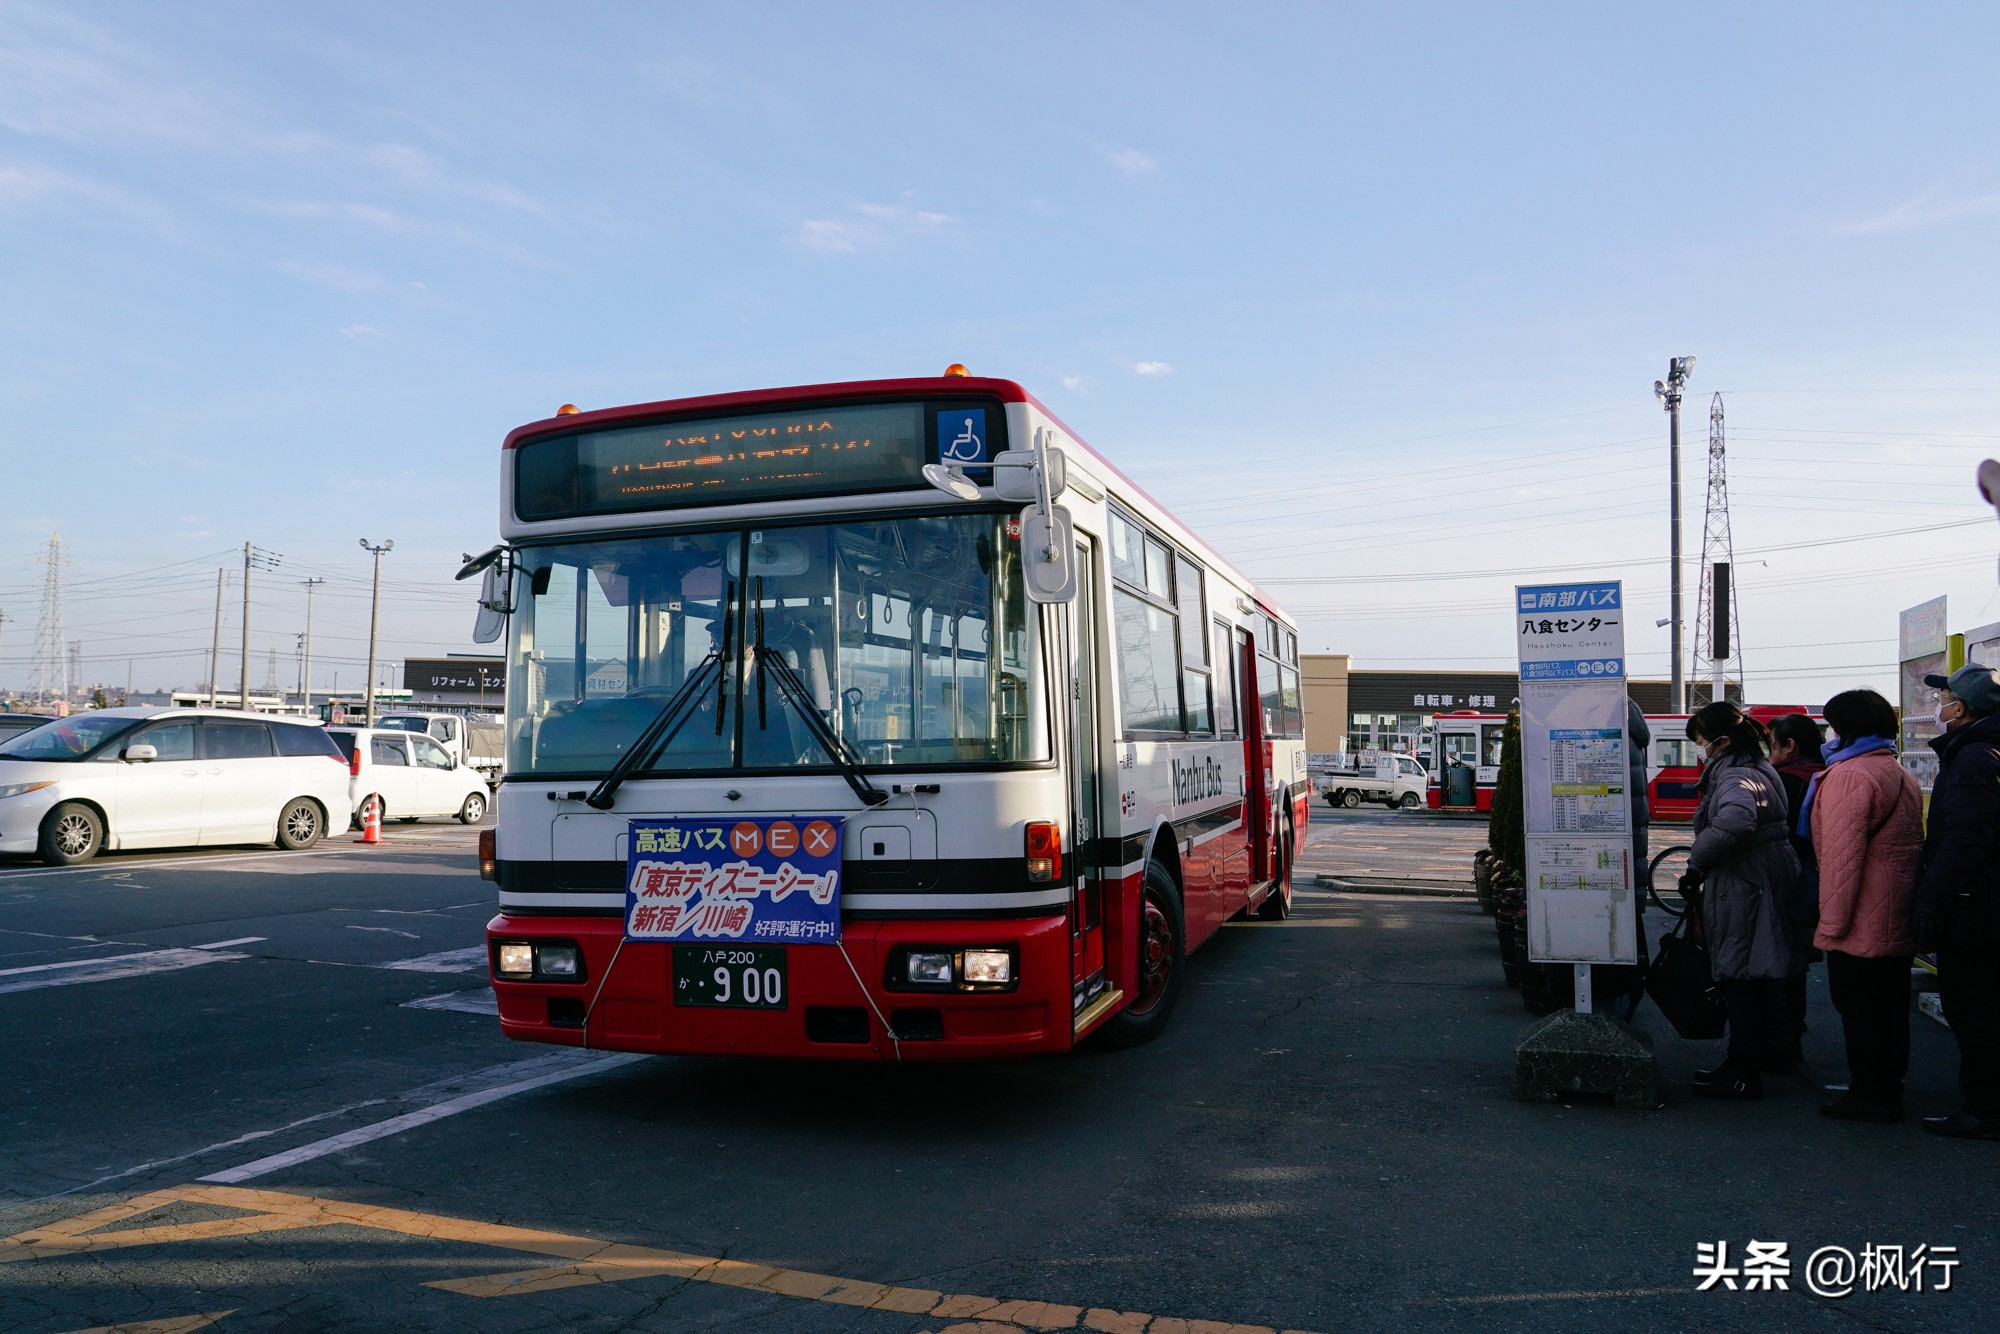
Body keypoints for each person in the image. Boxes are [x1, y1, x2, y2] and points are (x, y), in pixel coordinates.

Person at [1801, 689, 1923, 1122]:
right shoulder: (1896, 770)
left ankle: (1870, 1095)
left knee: (1861, 1009)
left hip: (1859, 918)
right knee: (1890, 1009)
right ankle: (1887, 1087)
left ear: (1846, 726)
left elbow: (1839, 860)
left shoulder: (1851, 775)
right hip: (1893, 912)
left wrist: (1830, 926)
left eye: (1833, 724)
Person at [1680, 701, 1806, 1099]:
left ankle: (1741, 1071)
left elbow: (1735, 820)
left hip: (1745, 884)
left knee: (1740, 979)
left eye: (1702, 742)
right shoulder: (1759, 767)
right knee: (1757, 976)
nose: (1702, 750)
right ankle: (1750, 1062)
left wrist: (1697, 863)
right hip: (1763, 878)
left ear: (1722, 741)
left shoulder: (1735, 776)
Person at [1913, 664, 2000, 1140]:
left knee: (1974, 1011)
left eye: (1943, 698)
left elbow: (1965, 840)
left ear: (1961, 708)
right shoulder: (1986, 751)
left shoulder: (1973, 758)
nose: (1938, 706)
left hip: (1976, 909)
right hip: (1985, 903)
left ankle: (1984, 1109)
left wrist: (1931, 898)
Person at [1768, 711, 1829, 1071]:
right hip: (1814, 880)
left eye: (1772, 744)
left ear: (1790, 745)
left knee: (1777, 961)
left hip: (1784, 881)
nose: (1769, 753)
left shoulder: (1784, 781)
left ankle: (1781, 1042)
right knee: (1795, 962)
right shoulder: (1824, 775)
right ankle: (1791, 1032)